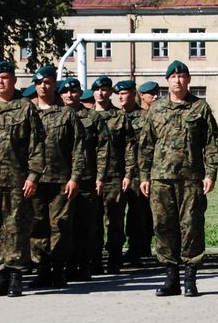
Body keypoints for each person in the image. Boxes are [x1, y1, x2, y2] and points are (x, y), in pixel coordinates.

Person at [138, 61, 218, 297]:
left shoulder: (200, 108)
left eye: (182, 76)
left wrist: (211, 174)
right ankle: (171, 278)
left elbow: (210, 145)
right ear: (167, 81)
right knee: (163, 227)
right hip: (161, 179)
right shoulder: (157, 109)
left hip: (190, 180)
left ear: (189, 79)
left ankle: (190, 278)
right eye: (173, 77)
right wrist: (144, 176)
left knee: (191, 226)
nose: (177, 80)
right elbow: (145, 146)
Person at [0, 61, 44, 297]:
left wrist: (33, 176)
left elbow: (37, 145)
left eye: (6, 77)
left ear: (14, 80)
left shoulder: (25, 108)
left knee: (17, 228)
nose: (1, 82)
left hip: (16, 180)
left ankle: (15, 275)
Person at [30, 68, 86, 290]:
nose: (44, 86)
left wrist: (75, 178)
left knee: (60, 226)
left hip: (61, 180)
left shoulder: (67, 114)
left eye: (48, 82)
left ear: (55, 85)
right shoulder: (28, 111)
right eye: (40, 82)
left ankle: (59, 270)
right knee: (37, 226)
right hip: (34, 181)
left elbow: (78, 148)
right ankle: (41, 270)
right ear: (35, 85)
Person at [62, 78, 106, 280]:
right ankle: (66, 265)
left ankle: (84, 265)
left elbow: (103, 148)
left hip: (87, 178)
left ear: (80, 93)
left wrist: (100, 176)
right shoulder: (54, 115)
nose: (69, 95)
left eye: (73, 91)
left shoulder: (93, 117)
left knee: (86, 224)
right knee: (63, 225)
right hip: (60, 179)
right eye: (65, 91)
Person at [95, 77, 135, 274]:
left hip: (115, 176)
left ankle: (114, 259)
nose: (101, 93)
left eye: (104, 89)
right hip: (91, 177)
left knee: (115, 220)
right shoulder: (86, 116)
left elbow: (129, 147)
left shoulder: (120, 117)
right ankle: (94, 260)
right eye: (97, 89)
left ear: (110, 92)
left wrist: (128, 174)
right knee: (93, 221)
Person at [121, 81, 155, 264]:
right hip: (119, 170)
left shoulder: (146, 117)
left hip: (139, 171)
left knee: (140, 211)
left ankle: (140, 247)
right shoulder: (118, 116)